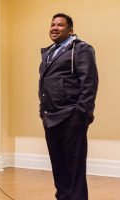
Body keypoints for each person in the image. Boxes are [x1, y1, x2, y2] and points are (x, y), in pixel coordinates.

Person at [38, 13, 98, 200]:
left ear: (70, 30)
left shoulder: (82, 49)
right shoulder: (49, 52)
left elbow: (89, 83)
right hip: (50, 117)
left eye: (60, 25)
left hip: (72, 116)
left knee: (74, 167)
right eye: (52, 24)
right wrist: (42, 110)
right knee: (58, 165)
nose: (54, 28)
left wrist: (82, 114)